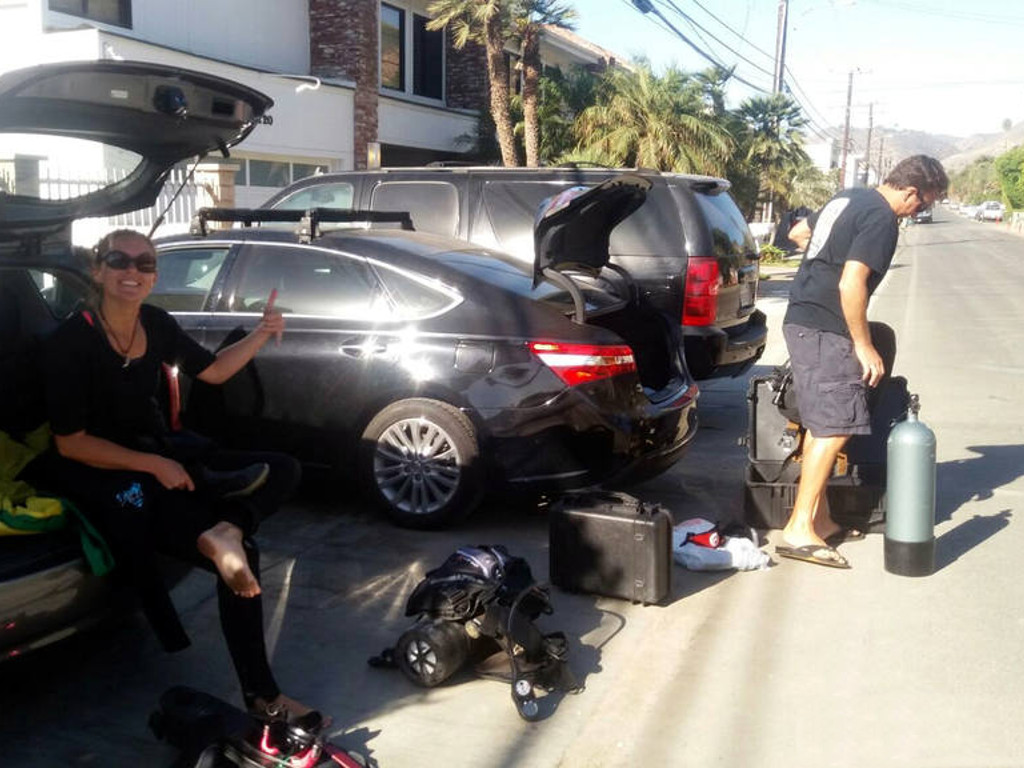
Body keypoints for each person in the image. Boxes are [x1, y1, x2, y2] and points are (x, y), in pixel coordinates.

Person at [36, 228, 317, 720]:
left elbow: (211, 372)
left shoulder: (156, 322)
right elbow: (71, 442)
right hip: (99, 470)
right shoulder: (69, 342)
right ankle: (265, 699)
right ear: (98, 270)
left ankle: (230, 526)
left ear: (154, 276)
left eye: (145, 264)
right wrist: (153, 464)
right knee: (229, 551)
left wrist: (262, 331)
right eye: (119, 260)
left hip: (155, 453)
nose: (133, 272)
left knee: (286, 468)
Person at [775, 155, 948, 569]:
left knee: (825, 425)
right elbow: (851, 282)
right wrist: (863, 344)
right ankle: (799, 527)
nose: (919, 211)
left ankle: (820, 517)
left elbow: (800, 234)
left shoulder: (849, 197)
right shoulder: (883, 219)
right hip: (826, 328)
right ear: (910, 191)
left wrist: (821, 266)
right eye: (923, 203)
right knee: (834, 428)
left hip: (805, 317)